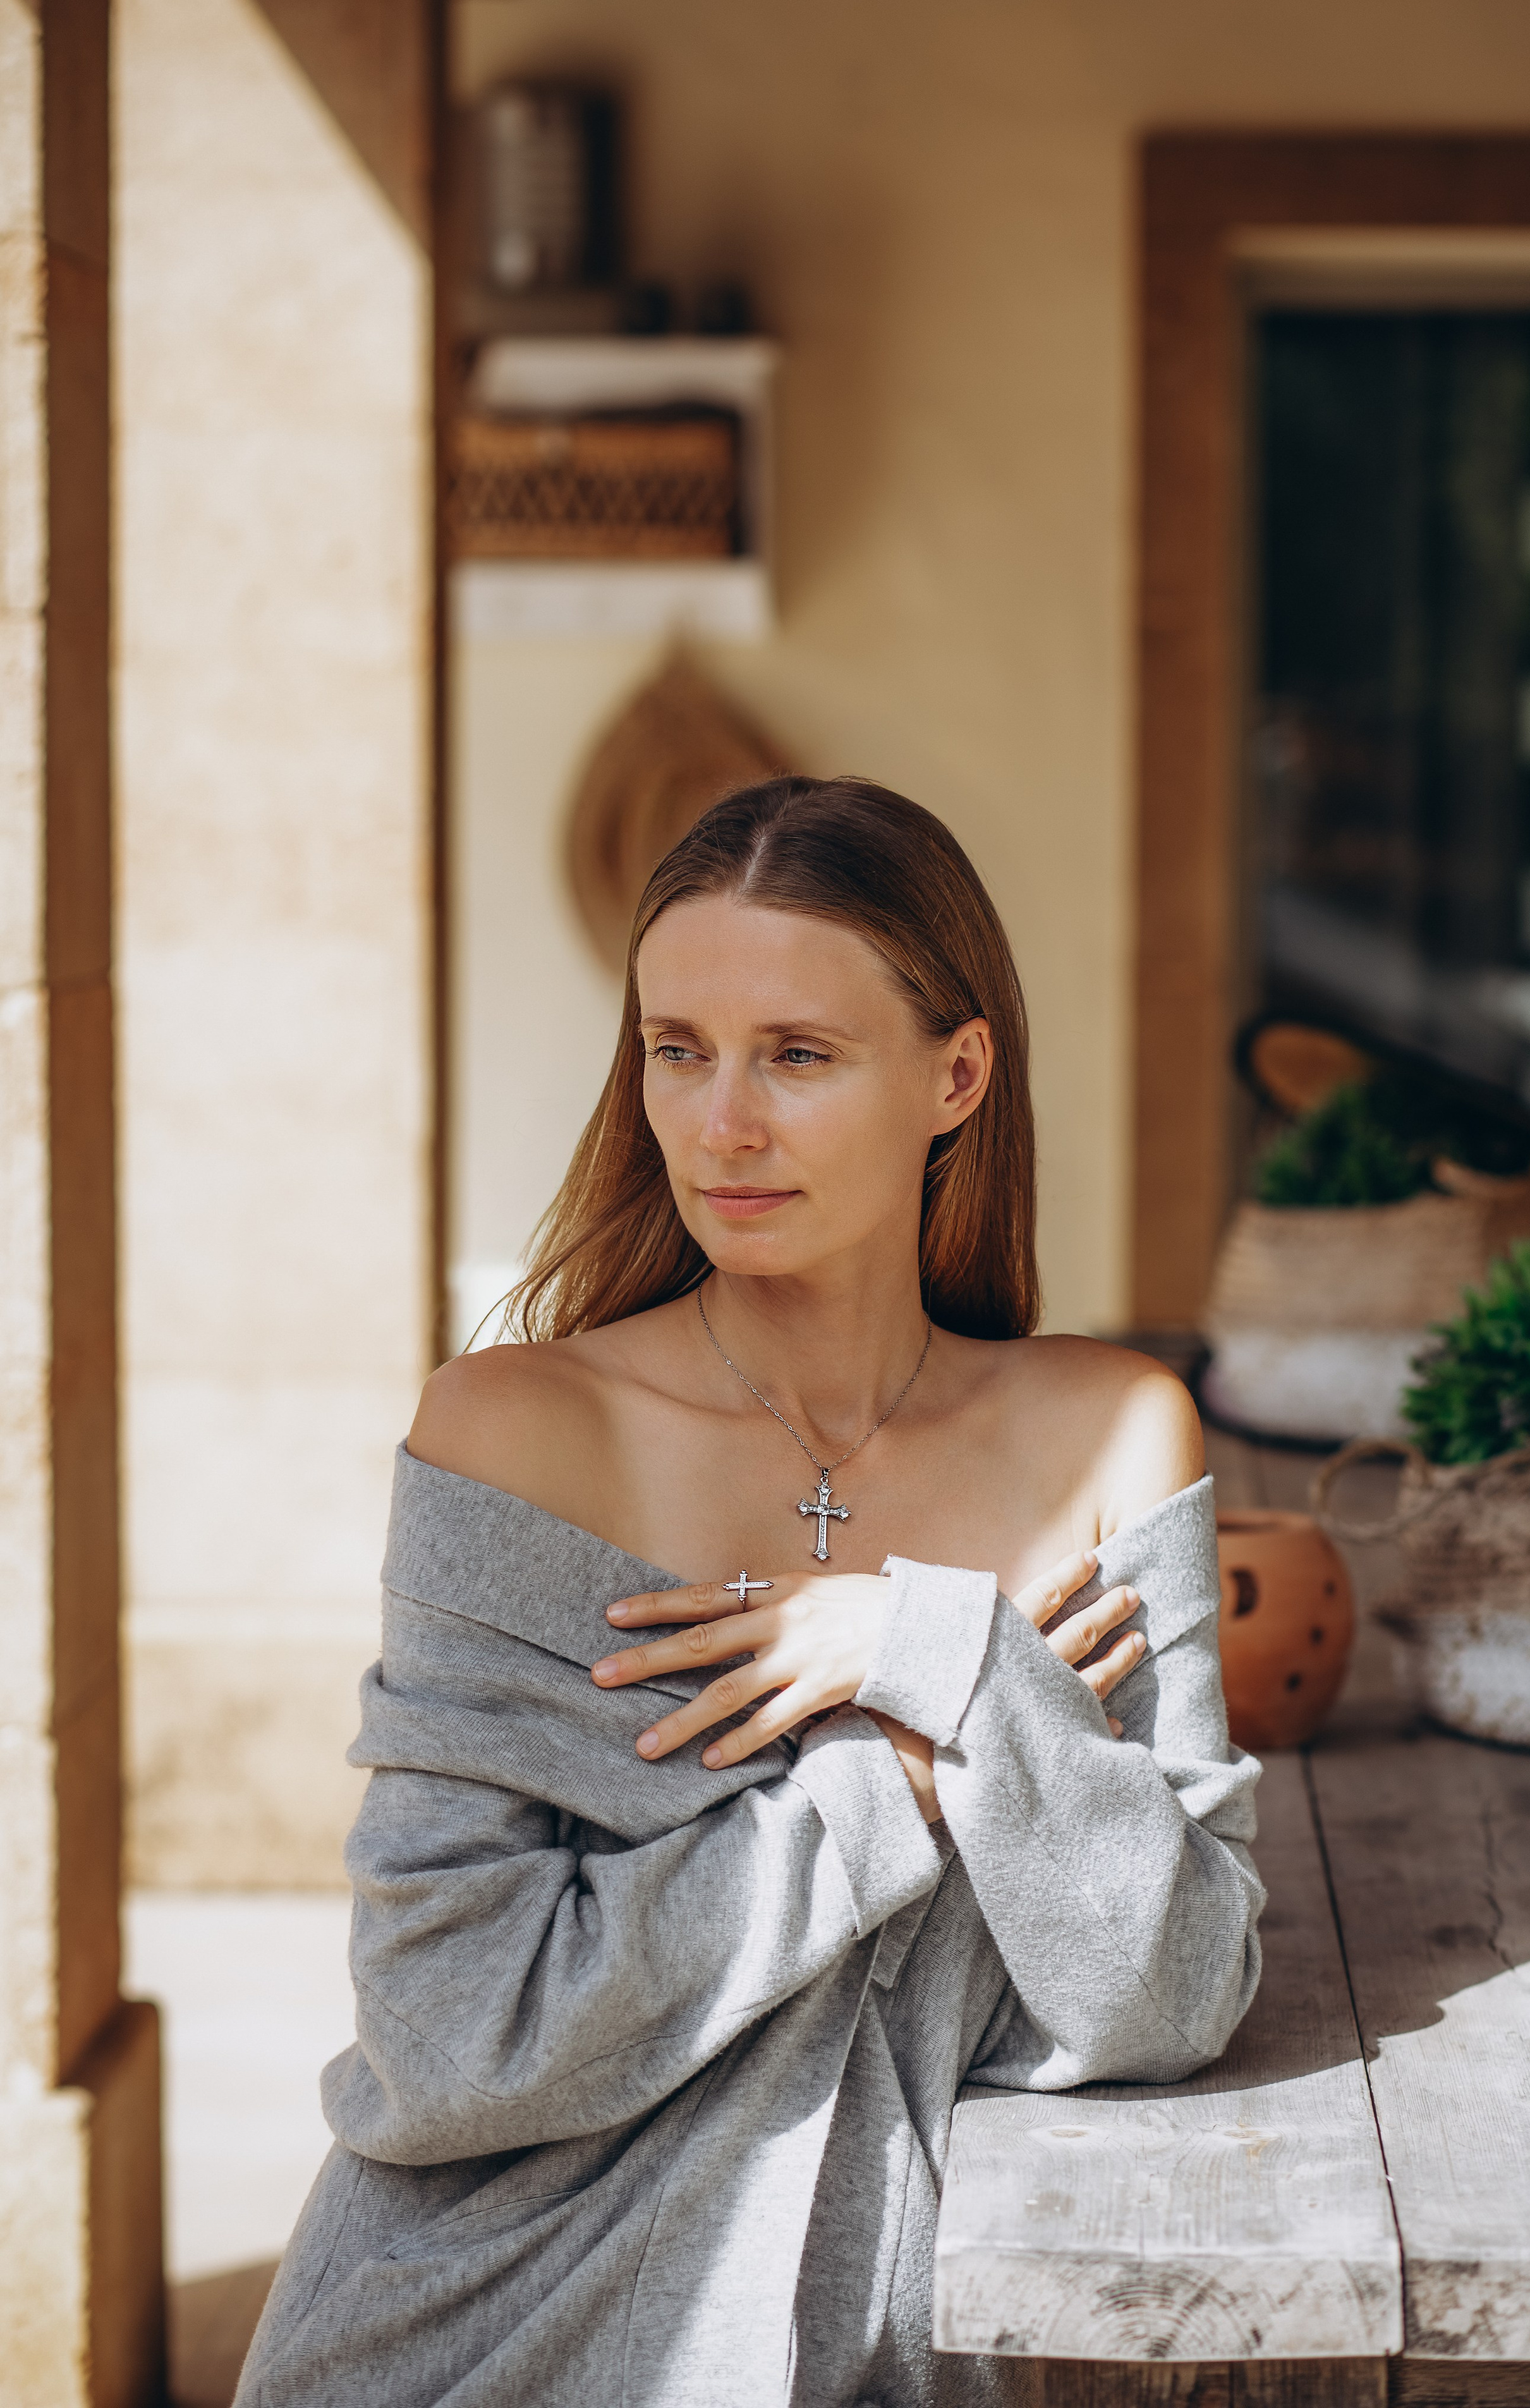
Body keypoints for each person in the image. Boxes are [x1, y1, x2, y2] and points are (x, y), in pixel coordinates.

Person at [237, 776, 1263, 2408]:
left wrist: (928, 1646)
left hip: (911, 2347)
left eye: (798, 1054)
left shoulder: (1112, 1437)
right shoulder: (516, 1437)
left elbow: (1172, 1992)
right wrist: (914, 1774)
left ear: (958, 1073)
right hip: (487, 2335)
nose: (722, 1124)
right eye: (677, 1048)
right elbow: (448, 2035)